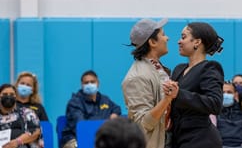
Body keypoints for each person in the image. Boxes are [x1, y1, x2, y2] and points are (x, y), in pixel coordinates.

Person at [166, 22, 224, 148]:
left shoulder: (210, 68)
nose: (179, 41)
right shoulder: (178, 69)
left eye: (183, 37)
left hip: (201, 140)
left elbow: (215, 104)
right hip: (178, 138)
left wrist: (179, 94)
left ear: (197, 42)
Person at [122, 18, 179, 148]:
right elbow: (142, 124)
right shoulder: (136, 77)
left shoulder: (158, 68)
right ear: (152, 42)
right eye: (163, 34)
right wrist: (167, 99)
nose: (167, 38)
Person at [62, 70, 121, 148]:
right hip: (76, 139)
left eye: (92, 82)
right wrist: (107, 125)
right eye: (86, 83)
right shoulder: (75, 102)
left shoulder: (104, 99)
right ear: (81, 85)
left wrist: (114, 114)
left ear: (98, 83)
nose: (89, 84)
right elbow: (82, 126)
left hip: (102, 137)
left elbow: (116, 108)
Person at [0, 83, 41, 148]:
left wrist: (17, 142)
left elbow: (36, 132)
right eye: (5, 94)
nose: (8, 96)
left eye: (12, 94)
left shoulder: (26, 113)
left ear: (16, 97)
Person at [217, 81, 242, 148]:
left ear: (235, 94)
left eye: (229, 92)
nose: (226, 95)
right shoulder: (213, 111)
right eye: (223, 92)